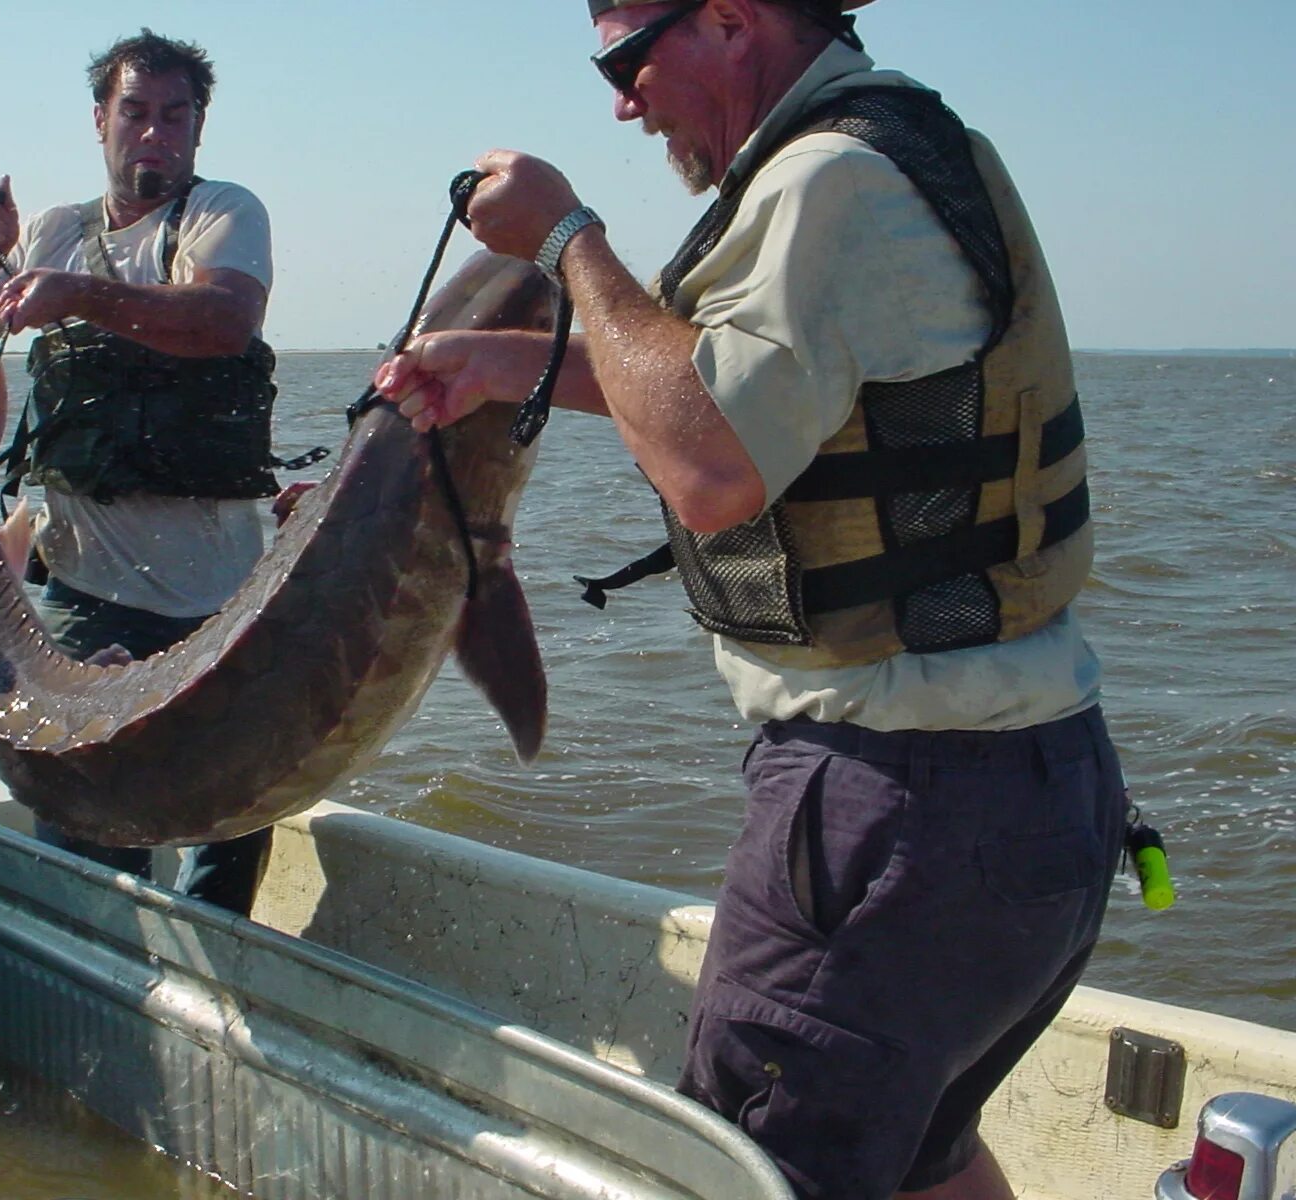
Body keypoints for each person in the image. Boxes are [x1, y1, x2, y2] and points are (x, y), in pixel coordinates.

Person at [373, 2, 1127, 1197]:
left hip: (891, 808)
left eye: (629, 59)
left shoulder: (827, 182)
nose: (621, 101)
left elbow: (711, 461)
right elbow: (745, 392)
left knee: (739, 1173)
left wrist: (566, 236)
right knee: (924, 1163)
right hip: (1038, 790)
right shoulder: (910, 148)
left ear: (727, 20)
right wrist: (503, 363)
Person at [0, 29, 282, 916]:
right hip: (83, 590)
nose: (154, 133)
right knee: (77, 813)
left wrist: (77, 296)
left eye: (175, 115)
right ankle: (104, 961)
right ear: (100, 122)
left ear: (199, 127)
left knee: (230, 814)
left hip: (220, 595)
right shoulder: (56, 231)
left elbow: (222, 320)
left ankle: (220, 964)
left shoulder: (223, 213)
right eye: (135, 113)